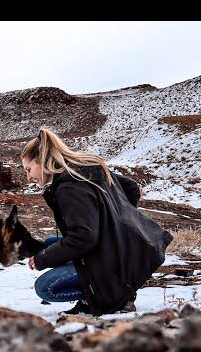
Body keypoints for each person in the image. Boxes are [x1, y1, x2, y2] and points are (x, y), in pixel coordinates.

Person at [21, 128, 173, 315]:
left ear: (43, 161)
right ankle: (110, 283)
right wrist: (116, 225)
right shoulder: (84, 170)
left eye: (29, 169)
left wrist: (43, 259)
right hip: (117, 248)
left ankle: (114, 294)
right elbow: (131, 188)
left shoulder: (69, 187)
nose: (28, 177)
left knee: (45, 287)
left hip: (110, 258)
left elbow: (84, 238)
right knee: (48, 245)